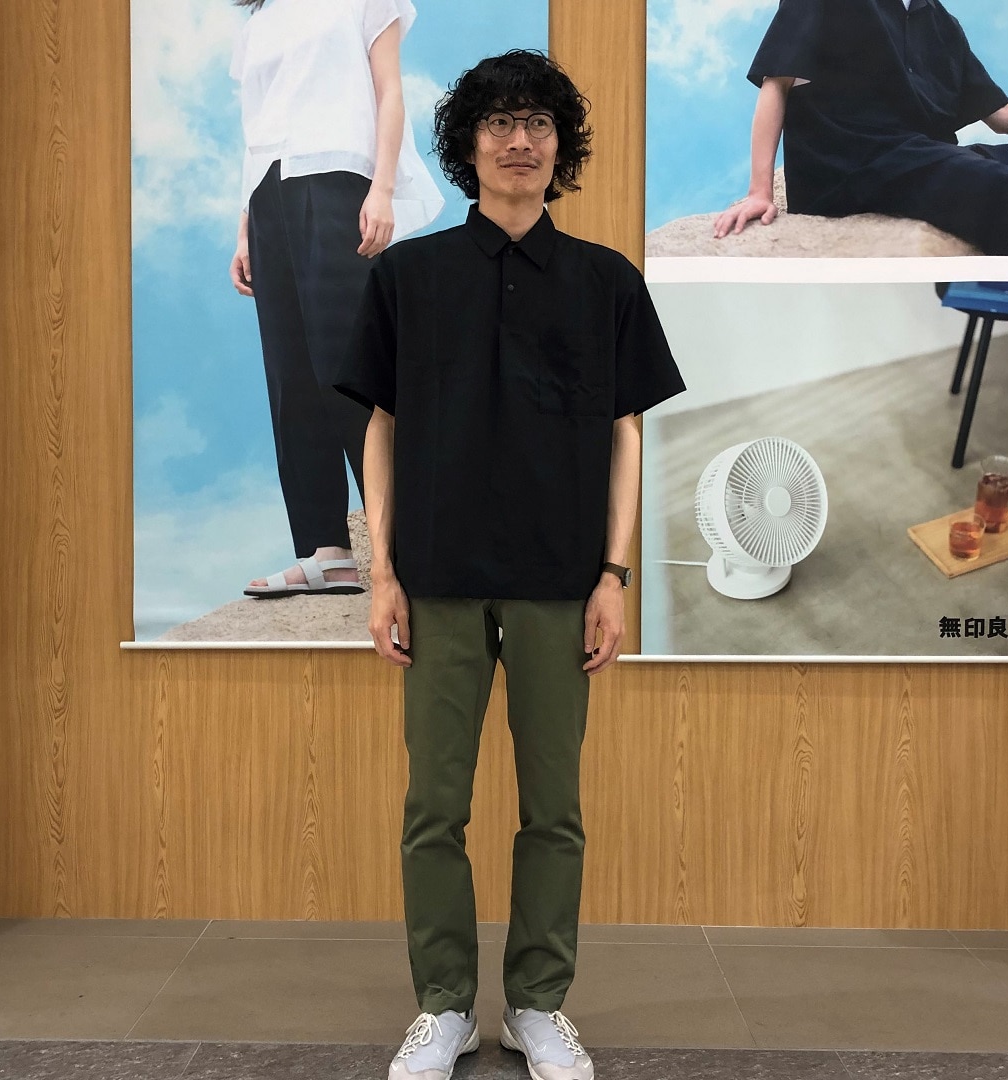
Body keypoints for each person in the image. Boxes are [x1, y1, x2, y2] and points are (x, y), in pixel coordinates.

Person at [335, 49, 686, 1080]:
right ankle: (444, 1006)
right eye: (498, 122)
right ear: (467, 145)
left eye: (537, 123)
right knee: (433, 810)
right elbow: (380, 426)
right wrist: (382, 574)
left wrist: (612, 575)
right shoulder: (409, 278)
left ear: (560, 146)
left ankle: (538, 1005)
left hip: (559, 583)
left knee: (554, 811)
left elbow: (625, 432)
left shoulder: (606, 281)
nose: (519, 140)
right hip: (437, 580)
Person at [228, 0, 443, 598]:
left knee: (347, 368)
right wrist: (245, 227)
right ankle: (326, 551)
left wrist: (383, 189)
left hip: (338, 181)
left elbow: (389, 91)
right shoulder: (259, 23)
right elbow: (255, 131)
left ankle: (408, 545)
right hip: (269, 195)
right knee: (290, 377)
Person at [713, 0, 1008, 255]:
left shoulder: (940, 21)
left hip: (922, 157)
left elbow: (1000, 113)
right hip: (850, 165)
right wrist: (760, 192)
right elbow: (777, 81)